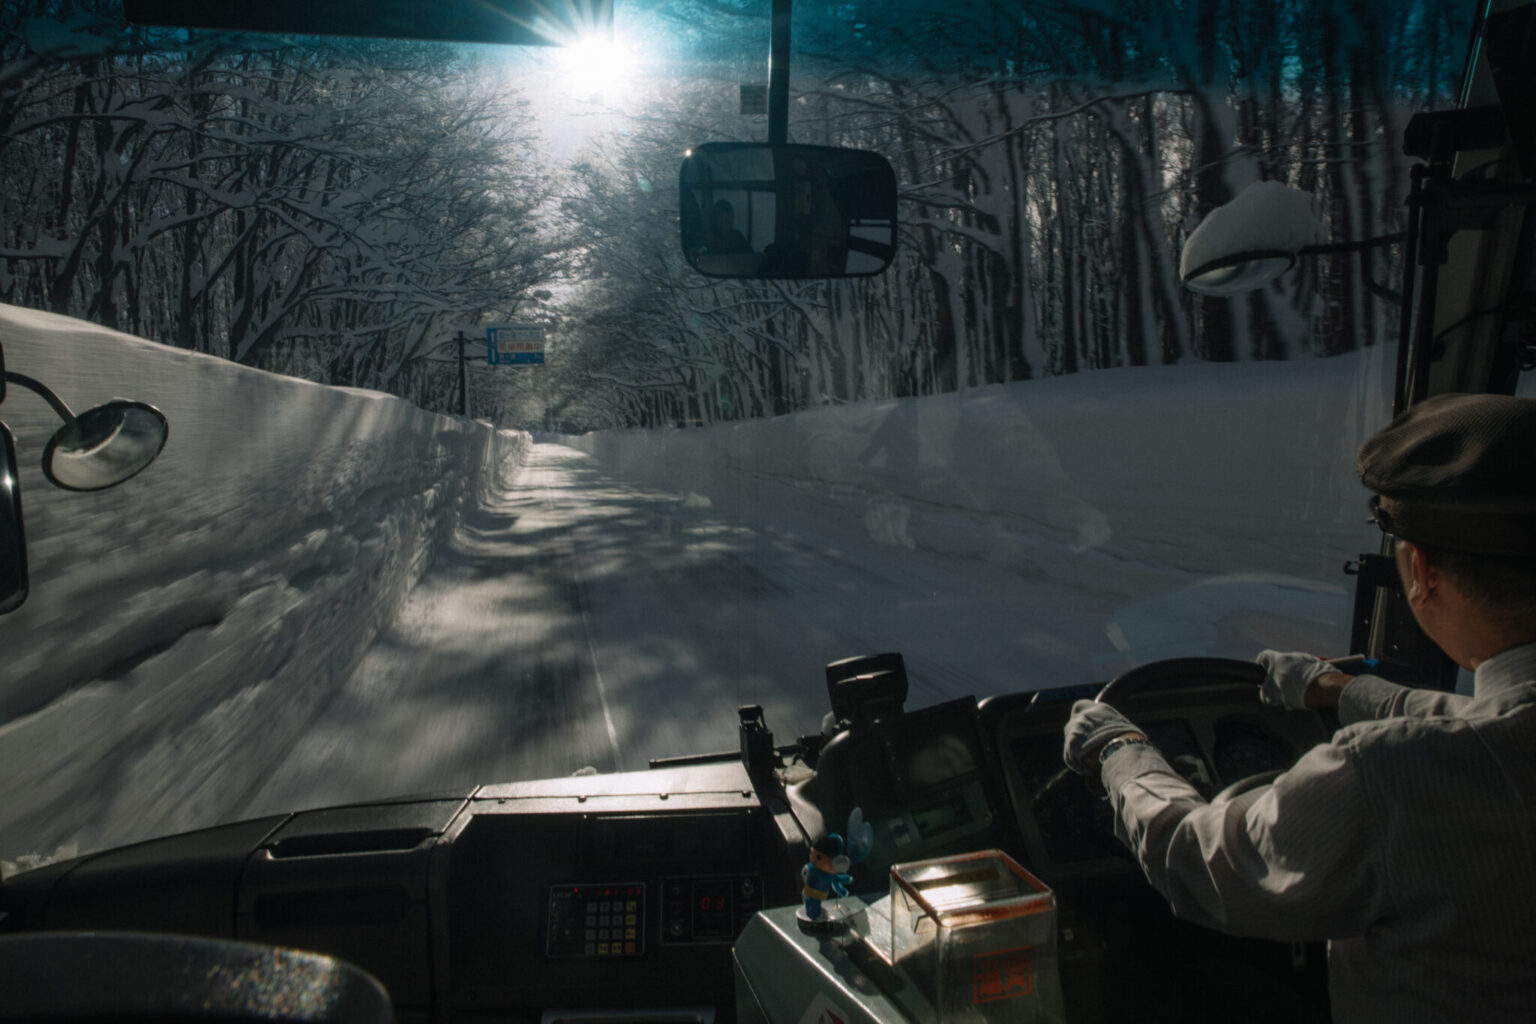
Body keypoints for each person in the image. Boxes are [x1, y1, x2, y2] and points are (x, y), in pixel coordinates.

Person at [1062, 393, 1536, 1022]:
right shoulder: (1480, 743)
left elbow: (1201, 864)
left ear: (1419, 572)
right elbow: (1481, 722)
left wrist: (1120, 754)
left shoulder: (1388, 776)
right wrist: (1336, 690)